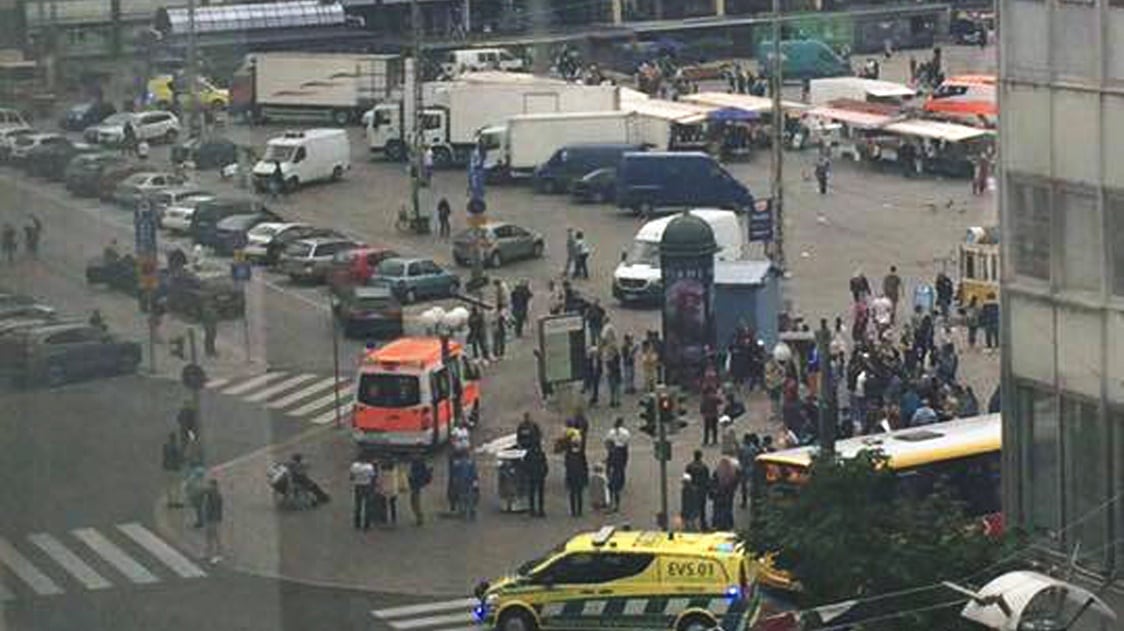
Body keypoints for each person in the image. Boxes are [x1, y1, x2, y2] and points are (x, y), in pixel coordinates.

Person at [199, 479, 223, 564]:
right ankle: (208, 553)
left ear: (214, 486)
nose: (209, 487)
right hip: (209, 518)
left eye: (211, 485)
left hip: (213, 519)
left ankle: (217, 554)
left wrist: (215, 519)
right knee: (208, 537)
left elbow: (216, 509)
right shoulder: (209, 494)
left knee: (215, 537)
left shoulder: (216, 496)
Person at [685, 451, 710, 531]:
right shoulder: (704, 467)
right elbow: (707, 480)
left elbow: (686, 479)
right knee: (702, 509)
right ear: (701, 457)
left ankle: (691, 525)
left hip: (692, 491)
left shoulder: (689, 466)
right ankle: (703, 525)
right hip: (702, 491)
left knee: (691, 508)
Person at [350, 456, 376, 530]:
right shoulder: (369, 467)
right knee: (368, 506)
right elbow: (373, 477)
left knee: (358, 505)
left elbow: (351, 477)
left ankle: (357, 523)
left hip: (358, 486)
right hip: (367, 486)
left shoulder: (354, 466)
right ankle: (366, 524)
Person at [450, 452, 479, 520]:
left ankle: (462, 512)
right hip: (469, 482)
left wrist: (455, 482)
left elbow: (454, 474)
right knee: (469, 497)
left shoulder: (457, 463)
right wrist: (475, 482)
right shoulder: (470, 462)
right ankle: (471, 511)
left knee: (461, 497)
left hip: (461, 482)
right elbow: (474, 473)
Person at [564, 439, 589, 517]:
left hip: (572, 476)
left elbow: (567, 467)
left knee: (573, 494)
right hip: (579, 476)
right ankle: (578, 510)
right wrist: (585, 478)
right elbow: (585, 467)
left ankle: (573, 511)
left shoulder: (568, 455)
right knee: (579, 494)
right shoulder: (581, 454)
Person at [524, 443, 548, 517]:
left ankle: (532, 510)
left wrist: (527, 472)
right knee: (540, 494)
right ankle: (540, 510)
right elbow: (545, 464)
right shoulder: (541, 454)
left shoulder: (529, 454)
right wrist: (544, 473)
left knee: (532, 493)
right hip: (540, 475)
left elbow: (525, 463)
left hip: (533, 475)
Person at [407, 454, 431, 526]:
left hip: (416, 485)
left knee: (415, 502)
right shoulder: (419, 463)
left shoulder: (417, 464)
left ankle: (419, 518)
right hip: (416, 485)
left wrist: (411, 476)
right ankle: (419, 517)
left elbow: (418, 474)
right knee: (414, 502)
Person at [738, 433, 761, 508]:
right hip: (751, 468)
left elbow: (739, 458)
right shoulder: (754, 448)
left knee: (744, 486)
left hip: (744, 468)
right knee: (750, 486)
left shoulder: (742, 448)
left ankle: (745, 502)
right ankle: (752, 503)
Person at [162, 432, 184, 508]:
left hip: (168, 469)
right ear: (175, 439)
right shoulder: (177, 447)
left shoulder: (165, 447)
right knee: (177, 486)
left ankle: (170, 501)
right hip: (176, 469)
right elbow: (180, 458)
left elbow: (164, 457)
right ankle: (176, 501)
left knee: (169, 486)